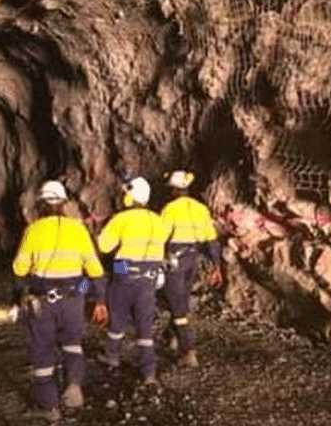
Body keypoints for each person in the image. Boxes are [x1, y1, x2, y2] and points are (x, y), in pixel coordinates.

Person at [12, 180, 108, 421]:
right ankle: (74, 388)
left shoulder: (33, 230)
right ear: (64, 204)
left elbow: (20, 270)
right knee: (72, 343)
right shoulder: (78, 229)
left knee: (43, 351)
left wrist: (16, 298)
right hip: (75, 297)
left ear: (42, 204)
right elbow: (95, 270)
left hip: (42, 301)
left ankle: (50, 407)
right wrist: (99, 300)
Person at [96, 176, 173, 386]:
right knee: (144, 324)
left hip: (125, 270)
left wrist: (101, 230)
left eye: (126, 194)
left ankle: (112, 356)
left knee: (117, 313)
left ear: (131, 196)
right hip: (150, 275)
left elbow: (103, 247)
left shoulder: (121, 219)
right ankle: (149, 372)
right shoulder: (160, 221)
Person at [159, 170, 224, 368]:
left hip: (175, 260)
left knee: (176, 305)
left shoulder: (170, 209)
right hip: (192, 259)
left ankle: (189, 351)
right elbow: (212, 240)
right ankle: (172, 336)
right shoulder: (201, 209)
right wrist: (217, 266)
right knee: (181, 299)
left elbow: (160, 238)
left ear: (174, 190)